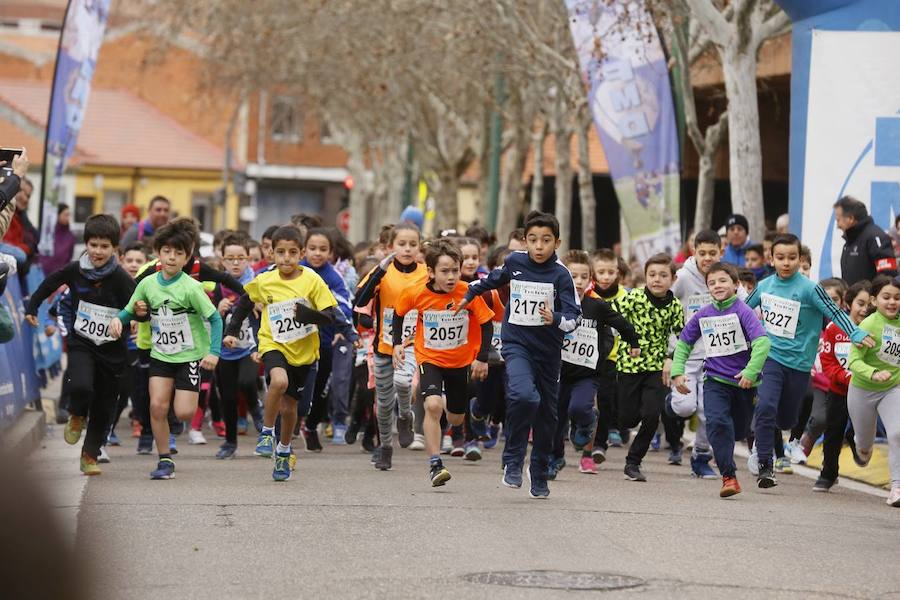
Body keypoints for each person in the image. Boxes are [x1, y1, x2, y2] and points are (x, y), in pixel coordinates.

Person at [458, 210, 581, 499]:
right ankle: (512, 460)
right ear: (525, 241)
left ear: (557, 242)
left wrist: (555, 318)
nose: (539, 247)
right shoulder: (514, 262)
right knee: (524, 396)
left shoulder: (561, 275)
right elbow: (488, 280)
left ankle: (538, 472)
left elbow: (574, 317)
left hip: (549, 352)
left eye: (546, 240)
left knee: (547, 417)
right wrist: (467, 296)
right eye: (533, 240)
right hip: (517, 345)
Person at [745, 233, 875, 488]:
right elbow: (741, 312)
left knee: (785, 420)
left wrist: (855, 332)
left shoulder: (810, 288)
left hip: (800, 364)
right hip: (770, 357)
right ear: (771, 259)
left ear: (800, 259)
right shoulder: (764, 286)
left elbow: (836, 312)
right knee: (765, 407)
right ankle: (764, 464)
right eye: (780, 257)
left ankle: (778, 439)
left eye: (792, 258)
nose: (786, 263)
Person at [224, 225, 342, 481]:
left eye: (291, 252)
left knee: (291, 410)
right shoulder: (265, 279)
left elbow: (330, 314)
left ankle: (284, 451)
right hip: (273, 344)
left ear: (300, 253)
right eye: (280, 252)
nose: (286, 258)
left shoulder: (312, 280)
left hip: (304, 351)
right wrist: (231, 330)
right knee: (279, 381)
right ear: (272, 254)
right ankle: (266, 432)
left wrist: (310, 315)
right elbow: (244, 302)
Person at [110, 219, 224, 480]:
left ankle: (178, 402)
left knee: (183, 412)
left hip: (189, 356)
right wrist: (118, 319)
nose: (172, 257)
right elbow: (130, 310)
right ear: (158, 253)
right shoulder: (147, 284)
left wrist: (213, 352)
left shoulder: (191, 288)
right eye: (167, 251)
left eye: (178, 253)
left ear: (187, 257)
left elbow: (216, 319)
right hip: (161, 354)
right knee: (156, 407)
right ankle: (164, 460)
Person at [25, 214, 135, 476]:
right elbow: (50, 282)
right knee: (83, 386)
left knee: (104, 406)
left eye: (104, 246)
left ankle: (89, 456)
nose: (97, 251)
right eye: (93, 244)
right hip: (81, 342)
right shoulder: (76, 270)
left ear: (115, 249)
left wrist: (136, 315)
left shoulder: (120, 277)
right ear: (86, 244)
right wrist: (33, 306)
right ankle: (76, 413)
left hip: (113, 350)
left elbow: (136, 307)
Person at [392, 239, 494, 486]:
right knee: (433, 406)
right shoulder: (417, 291)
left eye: (455, 271)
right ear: (430, 272)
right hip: (430, 359)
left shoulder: (468, 292)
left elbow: (486, 323)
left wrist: (481, 358)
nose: (451, 277)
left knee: (456, 419)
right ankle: (435, 463)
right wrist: (397, 344)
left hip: (460, 362)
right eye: (444, 271)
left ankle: (444, 405)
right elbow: (398, 314)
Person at [672, 262, 771, 497]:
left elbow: (762, 342)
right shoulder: (704, 314)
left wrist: (750, 371)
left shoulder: (743, 311)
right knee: (717, 423)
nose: (717, 286)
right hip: (715, 380)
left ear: (736, 285)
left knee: (737, 430)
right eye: (712, 283)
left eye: (723, 281)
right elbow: (684, 342)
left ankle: (727, 451)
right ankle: (729, 477)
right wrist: (677, 372)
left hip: (744, 383)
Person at [551, 250, 639, 477]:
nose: (578, 282)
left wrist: (633, 343)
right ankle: (555, 457)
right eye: (572, 277)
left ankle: (587, 422)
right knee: (556, 418)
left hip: (587, 374)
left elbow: (623, 324)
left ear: (591, 279)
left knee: (578, 407)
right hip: (558, 372)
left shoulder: (596, 305)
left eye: (583, 277)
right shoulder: (556, 303)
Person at [354, 222, 427, 471]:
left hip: (412, 344)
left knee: (404, 382)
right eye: (402, 244)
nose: (407, 249)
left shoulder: (426, 273)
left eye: (413, 245)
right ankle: (385, 446)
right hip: (384, 346)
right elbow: (360, 300)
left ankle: (406, 414)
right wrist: (379, 270)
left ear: (420, 247)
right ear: (390, 246)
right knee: (383, 404)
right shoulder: (381, 271)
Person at [670, 229, 735, 478]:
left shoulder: (725, 277)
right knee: (685, 408)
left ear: (722, 252)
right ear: (693, 251)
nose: (707, 258)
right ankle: (670, 405)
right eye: (702, 253)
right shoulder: (684, 278)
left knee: (708, 412)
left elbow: (743, 304)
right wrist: (670, 351)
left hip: (717, 357)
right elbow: (664, 304)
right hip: (686, 354)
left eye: (712, 253)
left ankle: (701, 456)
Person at [616, 254, 684, 482]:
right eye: (652, 275)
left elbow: (683, 337)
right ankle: (622, 426)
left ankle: (633, 462)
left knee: (652, 415)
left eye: (663, 275)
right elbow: (612, 316)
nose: (657, 279)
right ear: (645, 277)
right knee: (627, 419)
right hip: (629, 366)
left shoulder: (674, 306)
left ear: (673, 279)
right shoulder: (633, 298)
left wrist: (672, 358)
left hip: (655, 368)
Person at [846, 274, 900, 507]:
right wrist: (872, 373)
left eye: (897, 298)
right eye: (886, 297)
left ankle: (897, 487)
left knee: (898, 433)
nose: (892, 302)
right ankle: (861, 446)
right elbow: (853, 361)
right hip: (862, 389)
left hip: (893, 388)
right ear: (874, 301)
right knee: (865, 446)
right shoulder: (868, 325)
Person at [300, 227, 356, 449]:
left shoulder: (334, 276)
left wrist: (344, 328)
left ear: (331, 253)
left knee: (321, 389)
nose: (317, 253)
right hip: (293, 341)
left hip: (323, 342)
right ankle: (286, 427)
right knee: (296, 388)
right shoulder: (295, 270)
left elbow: (343, 306)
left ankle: (311, 426)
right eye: (312, 248)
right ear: (303, 250)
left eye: (323, 249)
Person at [815, 279, 871, 491]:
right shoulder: (834, 329)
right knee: (833, 430)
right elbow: (828, 362)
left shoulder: (875, 329)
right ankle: (828, 473)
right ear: (849, 304)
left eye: (869, 305)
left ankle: (856, 441)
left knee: (864, 428)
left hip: (868, 392)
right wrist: (847, 378)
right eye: (860, 303)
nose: (865, 309)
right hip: (839, 390)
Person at [213, 233, 261, 459]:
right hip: (225, 350)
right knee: (229, 397)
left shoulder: (257, 283)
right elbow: (206, 315)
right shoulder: (218, 286)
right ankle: (230, 442)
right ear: (222, 260)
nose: (235, 262)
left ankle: (260, 420)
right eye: (230, 258)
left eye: (240, 258)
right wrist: (217, 308)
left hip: (250, 346)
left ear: (249, 259)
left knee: (248, 381)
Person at [834, 195, 897, 285]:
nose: (838, 226)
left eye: (838, 220)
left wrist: (871, 298)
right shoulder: (849, 243)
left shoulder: (875, 237)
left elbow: (888, 277)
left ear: (851, 219)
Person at [39, 203, 76, 276]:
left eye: (69, 215)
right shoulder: (48, 232)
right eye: (65, 215)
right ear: (58, 215)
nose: (68, 218)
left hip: (60, 276)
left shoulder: (71, 236)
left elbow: (69, 257)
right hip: (43, 273)